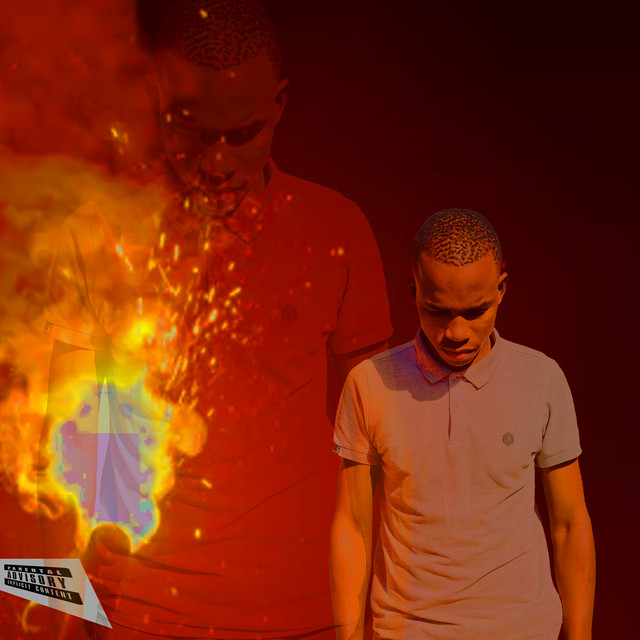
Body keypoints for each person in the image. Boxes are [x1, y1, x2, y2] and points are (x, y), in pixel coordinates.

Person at [38, 1, 392, 638]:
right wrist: (59, 613)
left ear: (279, 104)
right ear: (156, 99)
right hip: (141, 614)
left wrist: (376, 611)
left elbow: (384, 453)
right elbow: (61, 460)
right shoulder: (94, 237)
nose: (219, 162)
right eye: (195, 134)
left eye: (244, 133)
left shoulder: (337, 231)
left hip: (311, 611)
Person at [330, 209, 595, 639]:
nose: (456, 332)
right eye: (437, 311)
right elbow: (353, 526)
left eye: (476, 311)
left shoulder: (541, 379)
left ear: (502, 289)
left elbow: (570, 524)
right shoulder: (370, 383)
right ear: (413, 291)